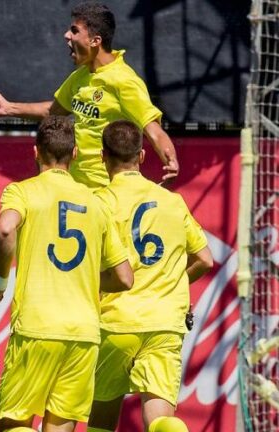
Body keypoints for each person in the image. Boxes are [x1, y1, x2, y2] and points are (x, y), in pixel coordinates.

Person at [0, 115, 133, 432]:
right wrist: (86, 279)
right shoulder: (96, 203)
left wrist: (0, 283)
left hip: (36, 328)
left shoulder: (22, 192)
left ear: (35, 152)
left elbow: (5, 229)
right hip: (84, 334)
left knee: (12, 423)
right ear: (75, 153)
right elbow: (124, 278)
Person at [86, 121, 213, 432]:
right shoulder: (172, 201)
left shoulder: (99, 202)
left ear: (103, 157)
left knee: (102, 417)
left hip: (116, 321)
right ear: (142, 156)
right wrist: (171, 284)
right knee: (160, 419)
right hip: (165, 323)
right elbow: (205, 260)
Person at [0, 1, 179, 190]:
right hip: (76, 187)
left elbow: (153, 131)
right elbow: (52, 111)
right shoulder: (79, 76)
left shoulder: (124, 81)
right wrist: (9, 107)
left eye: (74, 30)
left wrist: (171, 161)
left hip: (106, 189)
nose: (66, 35)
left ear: (95, 41)